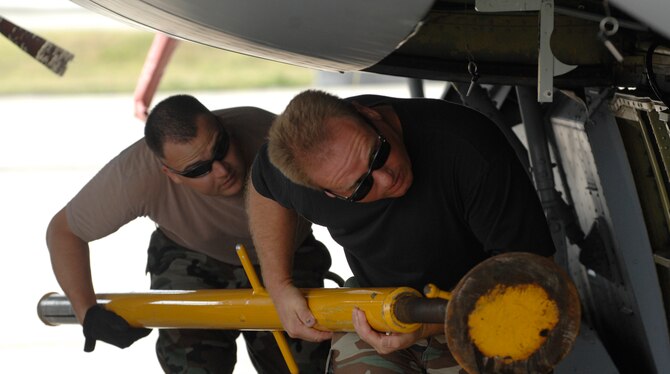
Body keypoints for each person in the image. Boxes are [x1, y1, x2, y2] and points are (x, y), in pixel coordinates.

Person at [247, 89, 556, 373]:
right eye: (360, 186)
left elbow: (530, 276)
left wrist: (427, 324)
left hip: (485, 309)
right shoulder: (300, 169)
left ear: (370, 114)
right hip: (377, 311)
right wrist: (279, 285)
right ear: (327, 193)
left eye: (378, 154)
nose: (385, 178)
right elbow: (264, 186)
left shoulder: (469, 146)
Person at [46, 94, 332, 374]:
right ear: (170, 174)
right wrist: (87, 312)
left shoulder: (271, 135)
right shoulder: (137, 176)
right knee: (192, 364)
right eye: (199, 169)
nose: (221, 170)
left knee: (307, 364)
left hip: (286, 253)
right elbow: (64, 232)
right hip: (193, 255)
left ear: (222, 126)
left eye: (221, 148)